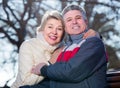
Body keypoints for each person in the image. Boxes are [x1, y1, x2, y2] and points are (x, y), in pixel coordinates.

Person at [30, 4, 108, 88]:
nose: (74, 22)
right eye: (69, 20)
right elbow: (52, 81)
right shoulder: (62, 49)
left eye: (78, 18)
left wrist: (43, 69)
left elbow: (72, 72)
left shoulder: (94, 42)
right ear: (65, 27)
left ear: (85, 22)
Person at [11, 10, 65, 88]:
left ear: (63, 33)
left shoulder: (65, 49)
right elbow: (25, 81)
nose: (54, 32)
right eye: (50, 27)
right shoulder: (28, 45)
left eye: (59, 29)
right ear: (42, 29)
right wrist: (50, 63)